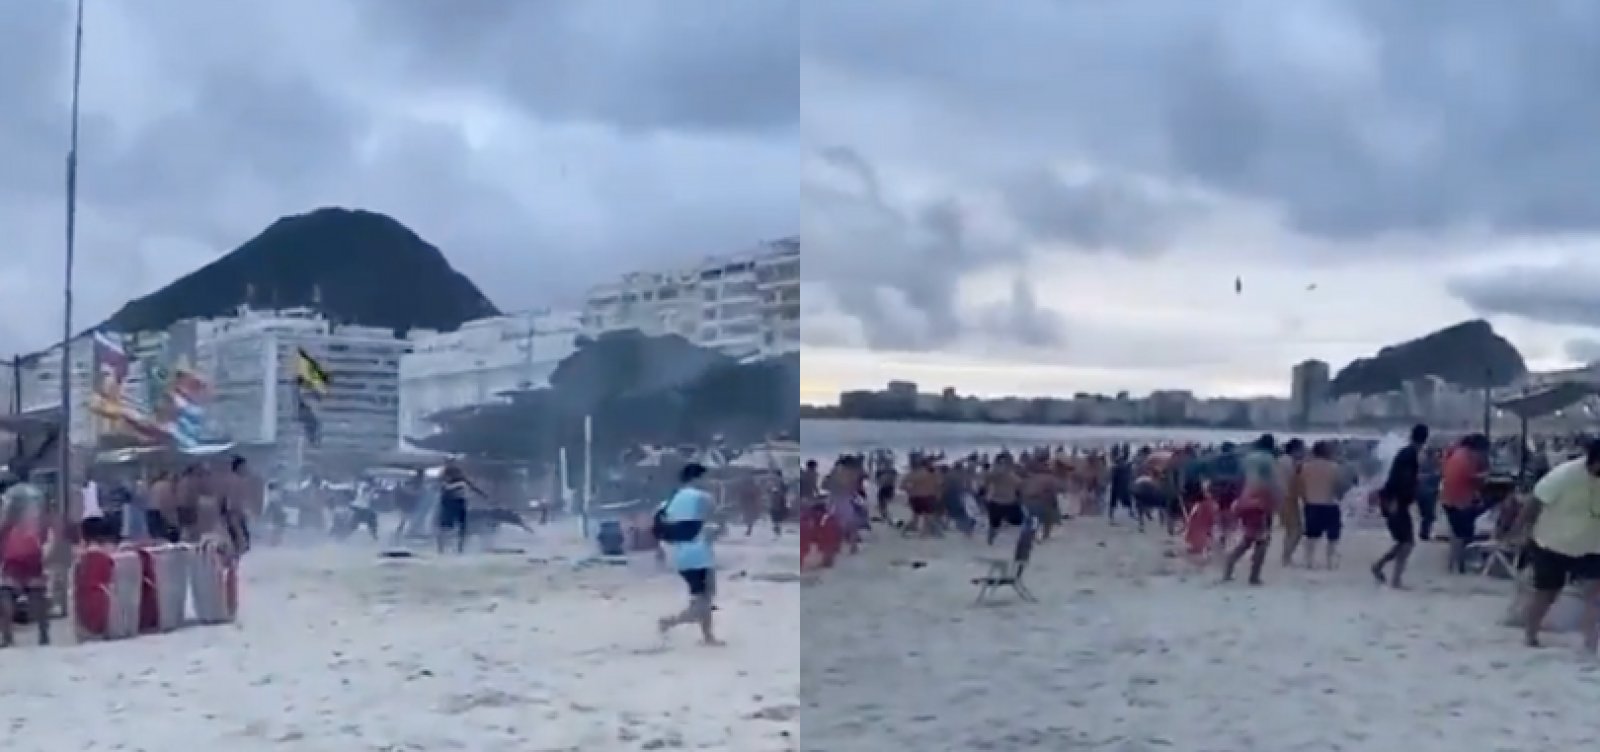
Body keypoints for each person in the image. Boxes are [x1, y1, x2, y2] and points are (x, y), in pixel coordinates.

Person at [1514, 439, 1600, 651]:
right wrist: (1520, 531)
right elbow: (1534, 501)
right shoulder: (1565, 475)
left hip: (1592, 545)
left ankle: (1591, 643)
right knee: (1546, 592)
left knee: (1595, 594)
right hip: (1551, 542)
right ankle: (1530, 635)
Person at [656, 462, 723, 646]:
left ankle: (708, 636)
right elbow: (716, 522)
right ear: (697, 478)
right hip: (700, 555)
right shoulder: (703, 497)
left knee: (702, 597)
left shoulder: (670, 500)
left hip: (680, 556)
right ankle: (669, 622)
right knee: (704, 601)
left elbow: (662, 526)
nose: (708, 481)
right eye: (705, 477)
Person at [1372, 424, 1428, 589]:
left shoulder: (1407, 453)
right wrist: (1396, 502)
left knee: (1404, 542)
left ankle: (1380, 567)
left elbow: (1399, 479)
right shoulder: (1410, 455)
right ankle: (1394, 579)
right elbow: (1400, 481)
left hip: (1394, 501)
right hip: (1395, 502)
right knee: (1407, 543)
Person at [1222, 434, 1279, 585]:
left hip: (1245, 500)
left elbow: (1238, 480)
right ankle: (1253, 575)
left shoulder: (1247, 459)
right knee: (1261, 540)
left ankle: (1229, 567)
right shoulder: (1269, 460)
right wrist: (1276, 502)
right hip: (1260, 502)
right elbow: (1272, 483)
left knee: (1249, 537)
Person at [1440, 433, 1490, 573]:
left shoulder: (1455, 452)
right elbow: (1471, 477)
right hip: (1460, 501)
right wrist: (1485, 475)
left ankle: (1455, 563)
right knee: (1465, 532)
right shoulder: (1468, 457)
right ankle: (1462, 563)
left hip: (1448, 499)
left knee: (1457, 533)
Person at [1299, 440, 1344, 569]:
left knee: (1311, 535)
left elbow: (1301, 485)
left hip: (1311, 503)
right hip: (1329, 504)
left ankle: (1309, 561)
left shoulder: (1305, 466)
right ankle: (1329, 561)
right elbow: (1338, 486)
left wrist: (1304, 498)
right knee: (1332, 536)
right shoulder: (1334, 467)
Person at [437, 460, 486, 554]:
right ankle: (441, 548)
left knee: (462, 527)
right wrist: (458, 486)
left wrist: (482, 494)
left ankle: (460, 548)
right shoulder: (443, 474)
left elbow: (470, 485)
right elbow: (444, 487)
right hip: (448, 503)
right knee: (445, 527)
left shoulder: (459, 474)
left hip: (459, 502)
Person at [1278, 439, 1306, 567]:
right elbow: (1295, 481)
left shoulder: (1281, 460)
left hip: (1280, 497)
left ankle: (1286, 556)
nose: (1303, 452)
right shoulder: (1291, 463)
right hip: (1288, 498)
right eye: (1301, 449)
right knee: (1297, 530)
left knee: (1290, 530)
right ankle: (1286, 557)